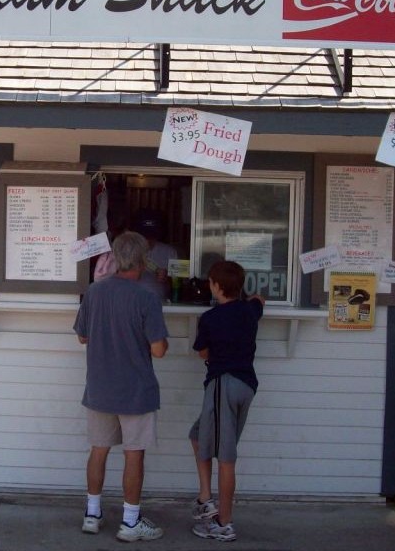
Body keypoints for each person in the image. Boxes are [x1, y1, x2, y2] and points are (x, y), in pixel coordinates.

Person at [74, 231, 170, 542]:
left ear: (116, 257)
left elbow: (83, 336)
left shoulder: (94, 292)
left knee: (98, 451)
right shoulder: (146, 298)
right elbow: (158, 349)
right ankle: (130, 522)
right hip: (136, 391)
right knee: (133, 454)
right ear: (143, 260)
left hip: (100, 386)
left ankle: (92, 514)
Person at [188, 260, 263, 542]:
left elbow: (203, 353)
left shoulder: (209, 318)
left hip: (223, 384)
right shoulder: (251, 311)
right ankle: (206, 498)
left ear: (216, 286)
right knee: (197, 435)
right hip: (245, 385)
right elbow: (259, 300)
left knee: (226, 457)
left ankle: (224, 522)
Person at [133, 209, 178, 299]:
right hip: (132, 302)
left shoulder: (170, 252)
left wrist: (167, 279)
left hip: (160, 304)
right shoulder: (127, 251)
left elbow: (178, 285)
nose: (148, 240)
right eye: (144, 236)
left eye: (152, 236)